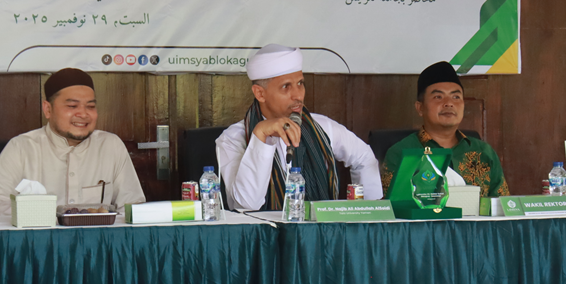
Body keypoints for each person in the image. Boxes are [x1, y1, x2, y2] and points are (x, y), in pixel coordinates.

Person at [216, 44, 383, 210]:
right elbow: (246, 204)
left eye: (300, 83)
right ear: (260, 93)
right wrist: (261, 136)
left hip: (320, 227)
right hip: (264, 228)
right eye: (286, 86)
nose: (298, 95)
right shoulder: (232, 139)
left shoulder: (321, 128)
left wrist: (367, 211)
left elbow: (364, 157)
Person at [0, 68, 146, 215]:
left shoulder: (110, 146)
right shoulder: (21, 147)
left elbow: (132, 207)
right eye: (72, 106)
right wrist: (42, 215)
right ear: (48, 109)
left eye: (90, 106)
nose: (83, 114)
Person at [380, 61, 509, 197]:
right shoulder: (401, 153)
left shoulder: (484, 152)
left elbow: (501, 204)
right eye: (438, 97)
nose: (449, 103)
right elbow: (393, 206)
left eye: (456, 97)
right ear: (420, 108)